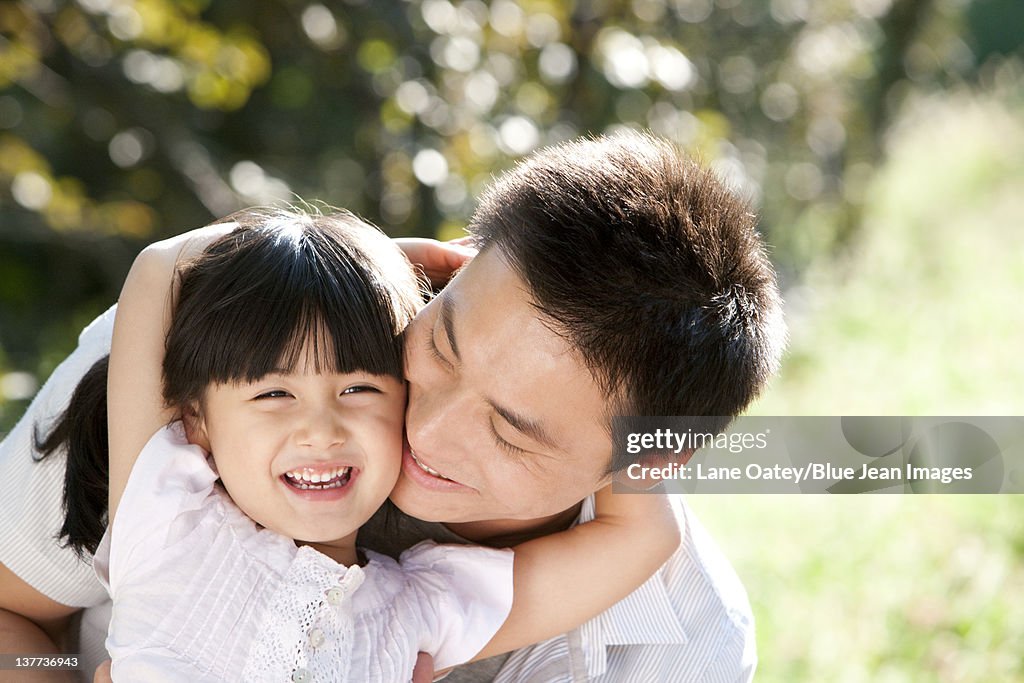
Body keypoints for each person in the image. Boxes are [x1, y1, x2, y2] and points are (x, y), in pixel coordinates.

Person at [0, 132, 785, 682]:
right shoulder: (208, 375)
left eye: (511, 430)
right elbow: (11, 619)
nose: (428, 429)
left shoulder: (688, 647)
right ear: (454, 272)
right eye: (441, 345)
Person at [93, 207, 675, 681]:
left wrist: (649, 408)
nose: (321, 430)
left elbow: (642, 535)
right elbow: (162, 266)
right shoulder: (167, 527)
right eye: (273, 395)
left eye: (358, 387)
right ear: (196, 424)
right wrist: (342, 262)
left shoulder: (413, 612)